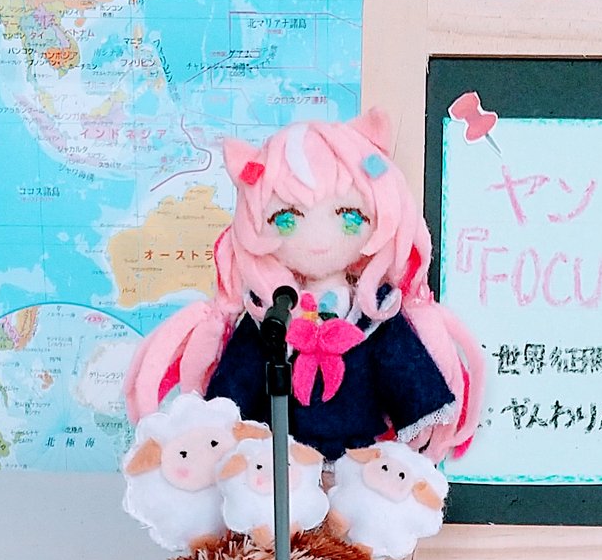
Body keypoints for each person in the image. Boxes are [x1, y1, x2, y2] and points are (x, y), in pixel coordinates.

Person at [124, 110, 483, 462]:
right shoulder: (271, 313)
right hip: (281, 460)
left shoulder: (372, 311)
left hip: (358, 455)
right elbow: (241, 376)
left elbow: (401, 364)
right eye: (286, 219)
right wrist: (219, 424)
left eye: (349, 216)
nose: (319, 238)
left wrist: (420, 412)